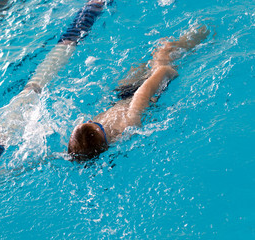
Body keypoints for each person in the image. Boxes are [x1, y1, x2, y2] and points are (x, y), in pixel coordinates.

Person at [68, 25, 210, 161]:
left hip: (122, 96)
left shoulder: (91, 142)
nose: (89, 120)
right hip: (144, 93)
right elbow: (144, 93)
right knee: (164, 50)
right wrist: (164, 71)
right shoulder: (127, 123)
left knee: (143, 65)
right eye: (93, 124)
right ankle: (205, 31)